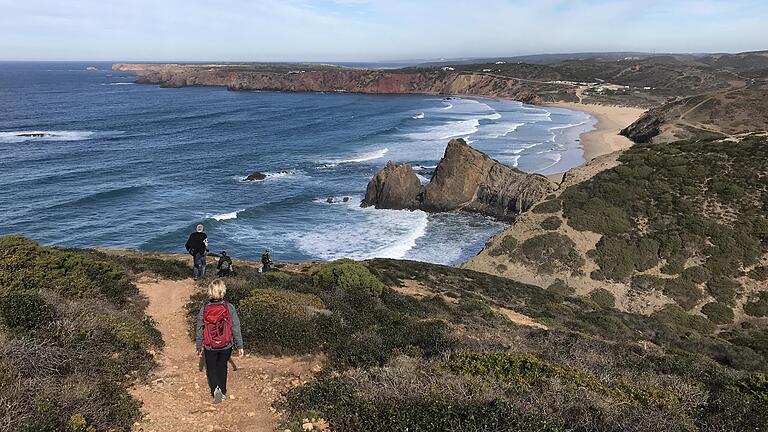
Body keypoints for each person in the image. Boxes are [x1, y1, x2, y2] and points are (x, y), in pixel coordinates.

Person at [195, 280, 244, 404]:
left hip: (210, 345)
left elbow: (200, 328)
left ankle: (215, 389)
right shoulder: (229, 307)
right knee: (222, 367)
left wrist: (199, 345)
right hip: (226, 344)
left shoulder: (205, 309)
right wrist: (240, 345)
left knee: (211, 368)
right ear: (223, 291)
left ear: (210, 292)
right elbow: (236, 326)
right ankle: (222, 392)